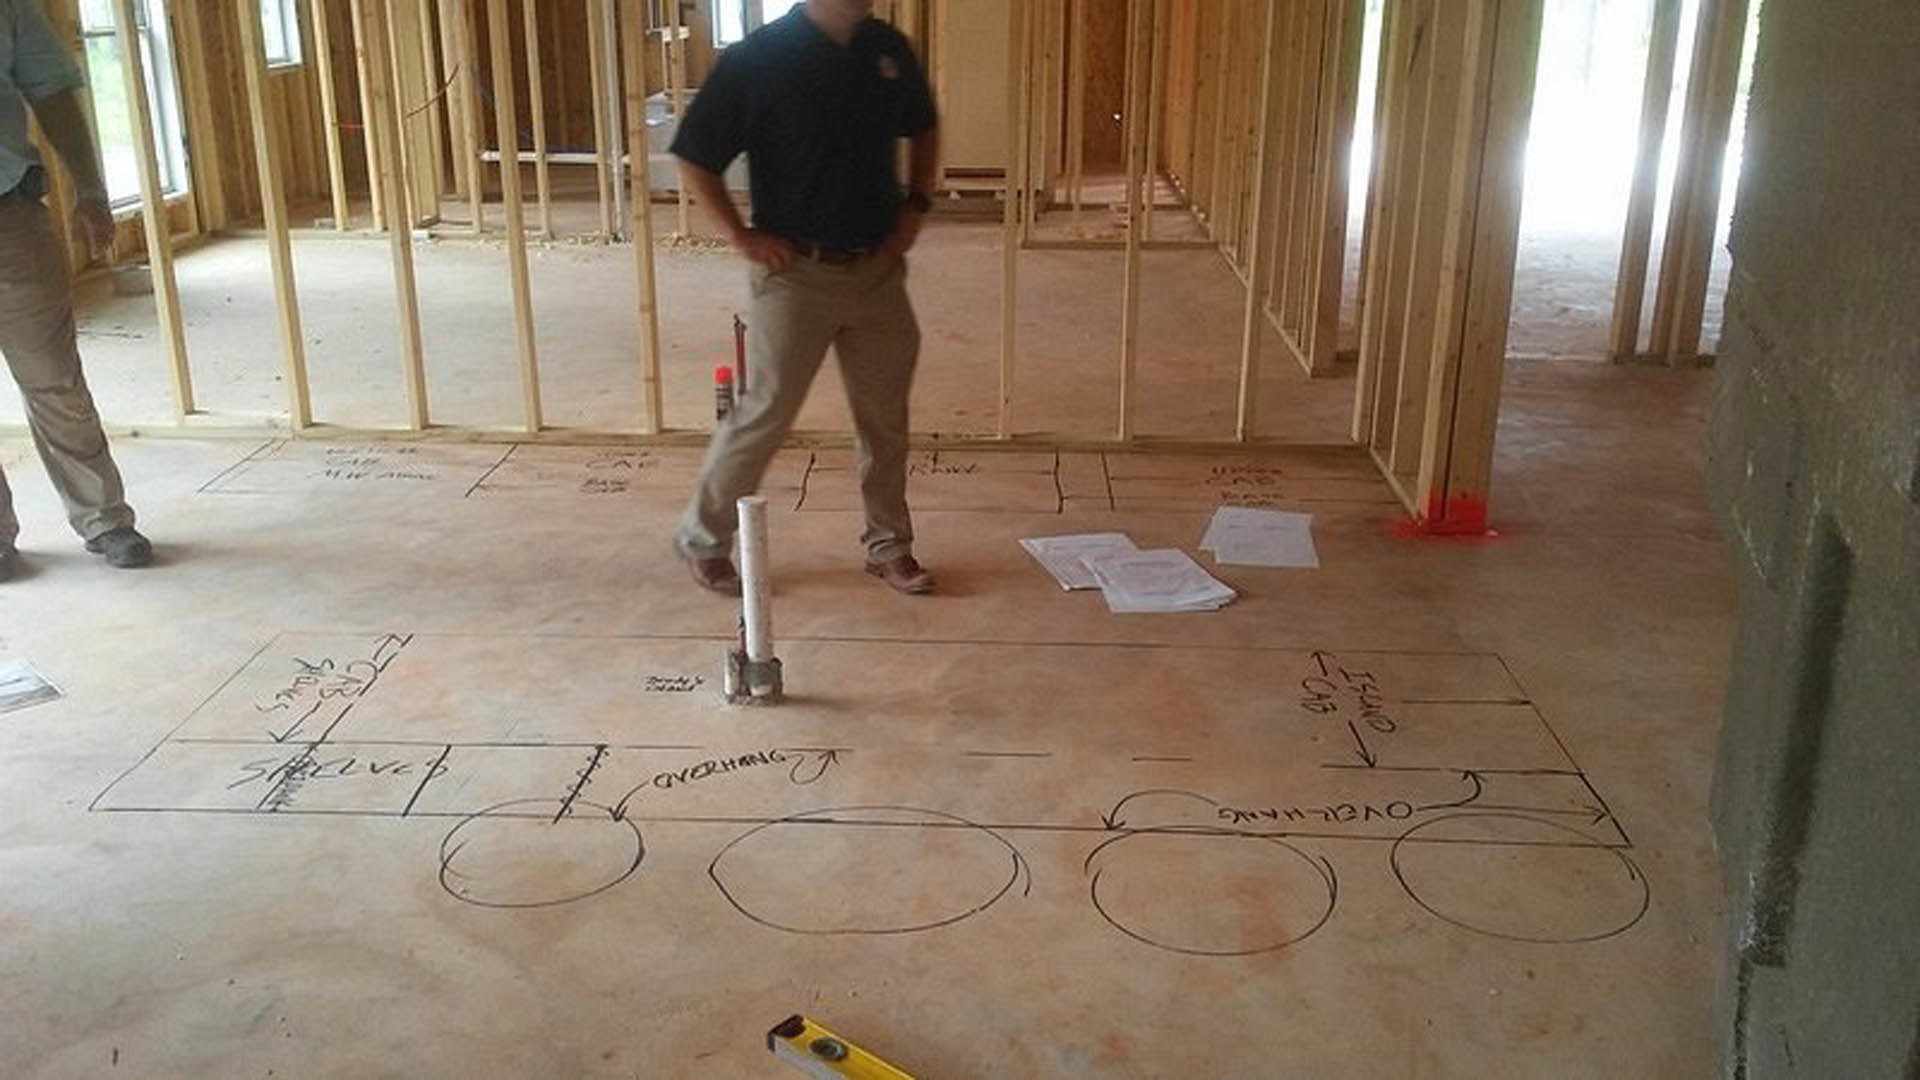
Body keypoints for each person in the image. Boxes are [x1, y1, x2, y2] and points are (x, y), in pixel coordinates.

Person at [669, 0, 938, 597]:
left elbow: (923, 125)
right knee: (765, 412)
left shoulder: (885, 49)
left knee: (885, 421)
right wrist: (740, 235)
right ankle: (703, 538)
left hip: (876, 272)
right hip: (796, 274)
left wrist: (917, 203)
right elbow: (694, 155)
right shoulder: (757, 59)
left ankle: (889, 545)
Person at [0, 0, 151, 581]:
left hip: (7, 215)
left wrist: (90, 188)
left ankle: (104, 519)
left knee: (54, 378)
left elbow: (53, 94)